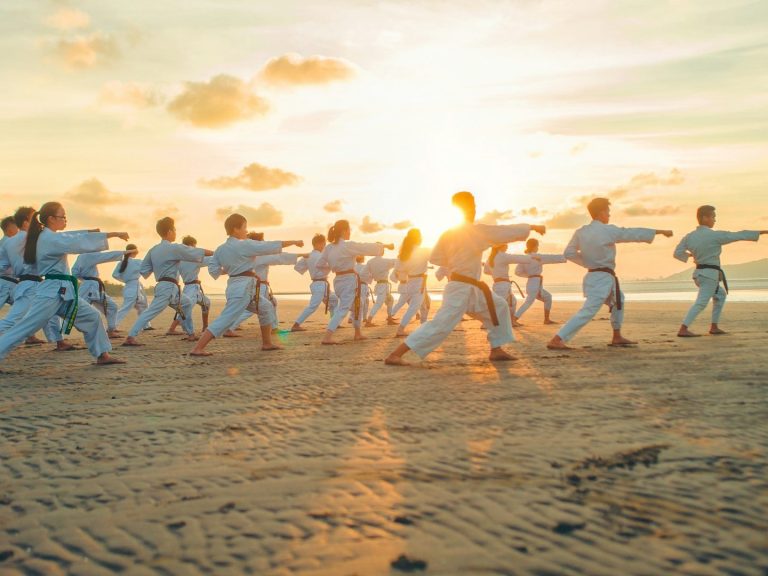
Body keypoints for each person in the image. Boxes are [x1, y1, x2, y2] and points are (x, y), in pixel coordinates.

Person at [385, 191, 544, 365]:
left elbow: (435, 258)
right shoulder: (476, 231)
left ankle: (496, 349)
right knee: (441, 325)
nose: (474, 209)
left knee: (499, 306)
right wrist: (532, 227)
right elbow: (504, 231)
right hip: (460, 288)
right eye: (472, 205)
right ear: (464, 208)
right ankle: (396, 354)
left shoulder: (449, 233)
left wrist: (456, 260)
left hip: (472, 287)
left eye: (474, 205)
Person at [0, 202, 127, 365]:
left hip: (63, 291)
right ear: (52, 219)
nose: (65, 220)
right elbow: (76, 242)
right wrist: (111, 234)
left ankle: (102, 355)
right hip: (51, 292)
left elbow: (72, 237)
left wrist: (103, 233)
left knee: (92, 316)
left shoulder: (47, 236)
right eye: (63, 216)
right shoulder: (49, 238)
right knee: (25, 327)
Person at [547, 198, 673, 350]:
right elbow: (632, 233)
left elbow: (569, 253)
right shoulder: (608, 230)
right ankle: (558, 338)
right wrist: (659, 231)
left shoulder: (581, 232)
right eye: (608, 212)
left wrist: (587, 261)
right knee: (589, 309)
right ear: (601, 213)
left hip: (595, 275)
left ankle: (617, 335)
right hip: (602, 277)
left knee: (619, 299)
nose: (609, 215)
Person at [188, 213, 303, 356]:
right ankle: (198, 348)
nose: (246, 231)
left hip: (237, 286)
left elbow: (214, 270)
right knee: (226, 318)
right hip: (243, 288)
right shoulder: (244, 245)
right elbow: (267, 246)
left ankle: (266, 343)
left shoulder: (220, 249)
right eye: (244, 228)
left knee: (266, 307)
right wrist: (294, 241)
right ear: (236, 229)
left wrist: (231, 268)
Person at [674, 205, 766, 337]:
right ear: (704, 218)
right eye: (713, 217)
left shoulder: (689, 237)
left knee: (720, 295)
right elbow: (738, 235)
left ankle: (714, 327)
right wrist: (762, 232)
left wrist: (690, 255)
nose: (715, 220)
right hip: (709, 275)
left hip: (699, 274)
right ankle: (683, 328)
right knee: (701, 302)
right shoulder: (714, 236)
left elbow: (677, 253)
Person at [122, 217, 213, 346]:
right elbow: (195, 251)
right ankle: (131, 336)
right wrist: (217, 253)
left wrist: (160, 267)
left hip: (166, 286)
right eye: (175, 230)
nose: (175, 232)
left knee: (186, 303)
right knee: (151, 312)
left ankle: (191, 333)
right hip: (168, 287)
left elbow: (144, 270)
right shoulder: (173, 248)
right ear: (170, 231)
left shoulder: (153, 250)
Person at [0, 206, 70, 349]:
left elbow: (3, 265)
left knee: (52, 312)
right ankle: (59, 341)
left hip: (26, 283)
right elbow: (60, 238)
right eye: (35, 218)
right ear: (26, 222)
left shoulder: (7, 243)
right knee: (14, 319)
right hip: (30, 284)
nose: (39, 222)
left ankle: (59, 341)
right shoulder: (33, 237)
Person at [316, 219, 394, 345]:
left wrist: (333, 266)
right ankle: (327, 336)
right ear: (344, 231)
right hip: (348, 280)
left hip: (338, 280)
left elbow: (319, 264)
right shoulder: (347, 245)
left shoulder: (329, 248)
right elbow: (365, 247)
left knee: (357, 305)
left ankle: (358, 333)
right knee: (344, 307)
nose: (350, 232)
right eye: (349, 230)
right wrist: (385, 246)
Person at [72, 247, 136, 338]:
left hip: (92, 286)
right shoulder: (88, 255)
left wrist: (85, 279)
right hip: (89, 287)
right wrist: (127, 252)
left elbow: (74, 272)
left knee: (112, 306)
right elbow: (107, 256)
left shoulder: (81, 257)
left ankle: (111, 330)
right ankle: (64, 333)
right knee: (76, 311)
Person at [513, 238, 568, 325]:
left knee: (548, 297)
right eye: (537, 246)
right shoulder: (537, 257)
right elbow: (552, 258)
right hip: (535, 283)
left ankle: (546, 319)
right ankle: (514, 319)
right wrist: (567, 256)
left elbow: (517, 272)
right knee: (529, 302)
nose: (537, 248)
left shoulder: (523, 258)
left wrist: (530, 275)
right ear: (534, 246)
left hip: (531, 283)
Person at [291, 234, 338, 331]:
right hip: (320, 285)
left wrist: (310, 267)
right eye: (324, 244)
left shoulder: (307, 256)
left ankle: (334, 323)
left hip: (320, 284)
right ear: (319, 244)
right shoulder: (321, 256)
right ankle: (296, 324)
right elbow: (331, 266)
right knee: (313, 306)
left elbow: (297, 268)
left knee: (334, 300)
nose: (325, 246)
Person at [166, 236, 212, 335]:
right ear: (191, 246)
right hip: (192, 288)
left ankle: (205, 327)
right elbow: (210, 259)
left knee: (206, 303)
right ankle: (172, 329)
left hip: (190, 287)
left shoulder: (180, 259)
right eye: (194, 246)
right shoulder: (193, 258)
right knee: (187, 308)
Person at [391, 228, 431, 337]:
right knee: (415, 306)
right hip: (419, 282)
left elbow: (398, 270)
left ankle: (423, 325)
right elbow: (436, 258)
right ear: (419, 238)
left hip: (410, 282)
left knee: (425, 304)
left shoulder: (403, 254)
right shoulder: (424, 251)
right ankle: (400, 329)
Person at [483, 244, 536, 326]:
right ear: (500, 246)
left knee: (512, 302)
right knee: (498, 304)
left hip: (500, 284)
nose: (507, 247)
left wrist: (496, 273)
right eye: (505, 245)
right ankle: (486, 322)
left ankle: (512, 322)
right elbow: (517, 258)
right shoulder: (502, 256)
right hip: (502, 285)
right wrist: (533, 257)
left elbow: (486, 271)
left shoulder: (490, 258)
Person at [112, 245, 153, 331]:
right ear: (134, 252)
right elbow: (146, 269)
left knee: (143, 305)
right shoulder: (137, 262)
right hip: (134, 286)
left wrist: (125, 280)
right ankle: (112, 326)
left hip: (129, 286)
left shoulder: (121, 263)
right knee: (126, 307)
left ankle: (146, 325)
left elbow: (115, 275)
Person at [363, 254, 398, 326]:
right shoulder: (385, 261)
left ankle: (389, 318)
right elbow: (397, 262)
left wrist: (371, 277)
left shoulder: (370, 262)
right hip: (383, 285)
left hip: (381, 284)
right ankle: (368, 321)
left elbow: (364, 273)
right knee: (378, 303)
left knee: (390, 300)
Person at [0, 216, 19, 310]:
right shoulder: (11, 243)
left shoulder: (2, 242)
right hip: (8, 283)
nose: (19, 230)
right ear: (10, 228)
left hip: (6, 282)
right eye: (17, 227)